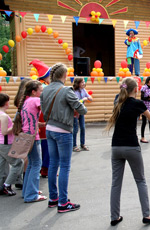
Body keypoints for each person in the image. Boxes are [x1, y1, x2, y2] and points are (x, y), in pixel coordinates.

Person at [106, 77, 150, 226]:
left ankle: (114, 217)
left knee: (116, 183)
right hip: (131, 146)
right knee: (140, 180)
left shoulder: (118, 102)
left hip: (116, 147)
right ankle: (146, 215)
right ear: (135, 89)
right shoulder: (138, 103)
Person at [40, 63, 87, 213]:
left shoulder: (45, 90)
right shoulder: (66, 90)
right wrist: (76, 106)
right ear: (64, 76)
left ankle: (53, 199)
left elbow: (43, 109)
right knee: (65, 166)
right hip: (63, 130)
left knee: (53, 164)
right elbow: (82, 109)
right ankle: (63, 202)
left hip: (49, 129)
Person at [12, 80, 47, 202]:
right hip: (32, 137)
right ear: (34, 92)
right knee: (36, 164)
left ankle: (27, 191)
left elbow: (30, 119)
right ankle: (31, 195)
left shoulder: (26, 101)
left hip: (25, 135)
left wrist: (41, 124)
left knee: (32, 164)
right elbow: (47, 110)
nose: (42, 93)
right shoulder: (35, 100)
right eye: (41, 91)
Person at [30, 59, 51, 178]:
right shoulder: (44, 87)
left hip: (40, 118)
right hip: (43, 118)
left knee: (43, 145)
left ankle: (44, 168)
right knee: (46, 145)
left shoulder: (42, 86)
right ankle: (45, 169)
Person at [0, 93, 24, 196]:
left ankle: (1, 185)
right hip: (6, 143)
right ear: (6, 103)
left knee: (2, 165)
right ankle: (7, 184)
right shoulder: (4, 116)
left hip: (1, 142)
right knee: (17, 163)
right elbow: (5, 131)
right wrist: (15, 126)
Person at [13, 77, 32, 189]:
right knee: (26, 156)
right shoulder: (26, 99)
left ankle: (19, 179)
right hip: (25, 126)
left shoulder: (19, 98)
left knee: (20, 155)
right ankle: (24, 179)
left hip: (19, 125)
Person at [72, 77, 92, 152]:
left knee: (83, 128)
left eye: (84, 82)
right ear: (78, 83)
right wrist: (83, 99)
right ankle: (74, 145)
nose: (84, 83)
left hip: (81, 112)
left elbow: (90, 98)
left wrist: (89, 97)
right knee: (75, 129)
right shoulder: (74, 91)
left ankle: (82, 144)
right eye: (82, 82)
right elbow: (76, 102)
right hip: (75, 112)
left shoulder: (83, 90)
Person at [140, 76, 150, 143]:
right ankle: (142, 137)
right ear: (149, 81)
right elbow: (142, 98)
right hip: (144, 106)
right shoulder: (144, 88)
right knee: (144, 122)